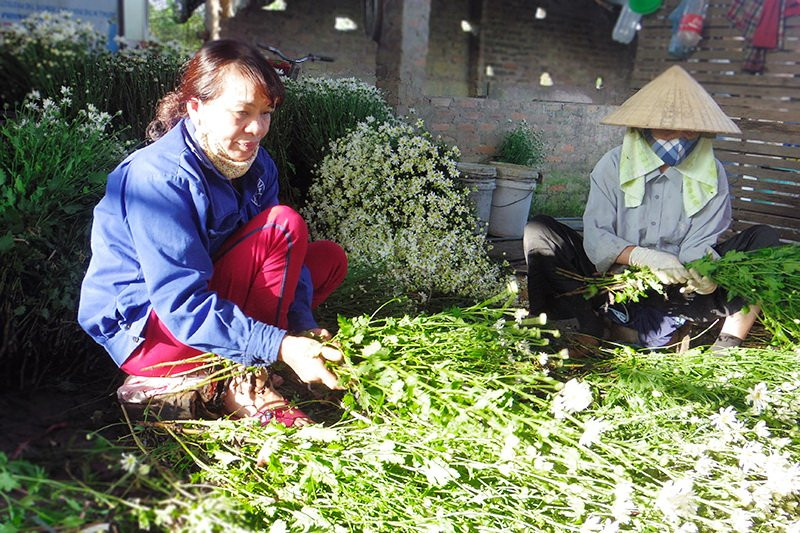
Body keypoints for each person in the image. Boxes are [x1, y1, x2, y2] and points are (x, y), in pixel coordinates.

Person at [78, 40, 348, 425]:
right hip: (154, 332)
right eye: (242, 112)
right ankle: (245, 381)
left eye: (266, 113)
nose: (257, 129)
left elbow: (277, 257)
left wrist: (303, 325)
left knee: (326, 260)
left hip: (202, 304)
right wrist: (280, 344)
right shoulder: (158, 178)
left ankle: (251, 354)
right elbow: (180, 303)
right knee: (283, 226)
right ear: (196, 108)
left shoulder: (256, 164)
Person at [523, 65, 779, 353]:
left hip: (678, 290)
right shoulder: (613, 165)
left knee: (763, 241)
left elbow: (698, 244)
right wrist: (644, 257)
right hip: (611, 283)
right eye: (669, 128)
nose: (680, 137)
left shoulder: (711, 174)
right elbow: (596, 239)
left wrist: (705, 272)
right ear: (644, 127)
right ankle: (583, 328)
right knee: (540, 231)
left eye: (690, 129)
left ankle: (726, 347)